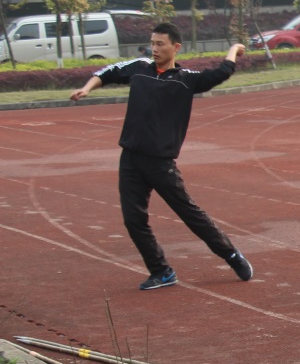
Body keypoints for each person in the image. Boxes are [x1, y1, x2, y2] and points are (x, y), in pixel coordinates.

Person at [69, 23, 253, 290]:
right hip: (131, 159)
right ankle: (161, 271)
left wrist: (234, 50)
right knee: (133, 220)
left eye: (160, 44)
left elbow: (221, 73)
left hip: (161, 163)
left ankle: (232, 255)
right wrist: (88, 88)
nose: (154, 49)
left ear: (175, 47)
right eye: (152, 43)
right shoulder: (140, 69)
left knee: (191, 214)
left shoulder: (186, 79)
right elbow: (107, 72)